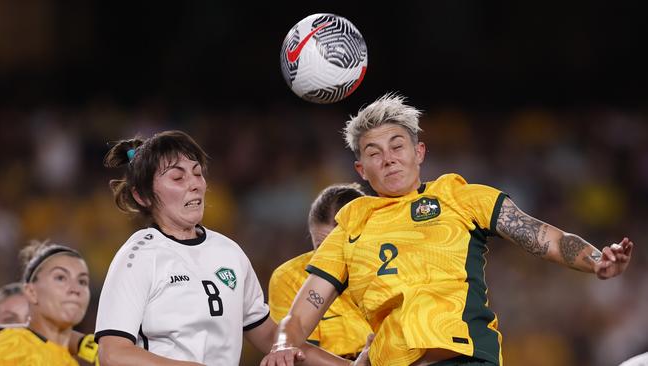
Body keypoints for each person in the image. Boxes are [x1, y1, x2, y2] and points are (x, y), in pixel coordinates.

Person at [260, 94, 634, 366]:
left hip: (464, 357)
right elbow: (304, 307)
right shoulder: (350, 223)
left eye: (397, 145)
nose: (388, 158)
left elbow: (541, 236)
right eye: (374, 153)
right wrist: (282, 345)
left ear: (419, 152)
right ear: (361, 170)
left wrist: (596, 260)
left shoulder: (459, 196)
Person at [96, 130, 370, 366]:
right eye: (178, 178)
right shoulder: (138, 257)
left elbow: (273, 339)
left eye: (197, 173)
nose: (194, 184)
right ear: (142, 195)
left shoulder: (228, 252)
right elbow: (113, 353)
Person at [269, 183, 373, 359]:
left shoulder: (392, 267)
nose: (330, 258)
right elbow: (298, 355)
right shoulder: (290, 277)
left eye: (340, 247)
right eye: (321, 247)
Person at [0, 240, 95, 365]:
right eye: (60, 278)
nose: (75, 289)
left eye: (82, 281)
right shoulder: (11, 345)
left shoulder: (70, 361)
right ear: (31, 292)